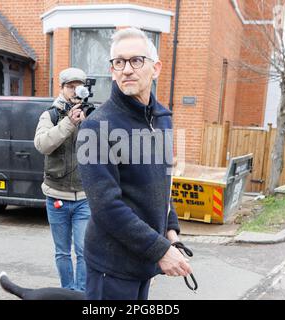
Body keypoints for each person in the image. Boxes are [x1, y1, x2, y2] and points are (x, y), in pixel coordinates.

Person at [76, 28, 193, 300]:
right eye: (119, 62)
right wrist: (161, 250)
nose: (127, 69)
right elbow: (106, 207)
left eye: (136, 60)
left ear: (156, 68)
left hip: (144, 262)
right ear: (113, 70)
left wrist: (171, 229)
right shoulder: (96, 127)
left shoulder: (162, 118)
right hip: (112, 268)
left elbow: (162, 182)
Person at [34, 67, 91, 292]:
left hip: (84, 197)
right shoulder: (51, 114)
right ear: (62, 88)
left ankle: (81, 294)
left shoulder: (91, 113)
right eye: (70, 86)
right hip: (57, 196)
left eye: (79, 86)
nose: (74, 91)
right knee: (62, 251)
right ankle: (68, 292)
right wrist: (69, 123)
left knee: (84, 250)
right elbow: (42, 145)